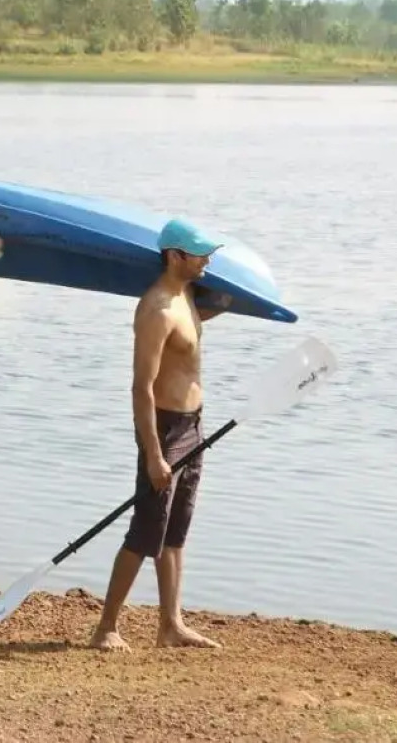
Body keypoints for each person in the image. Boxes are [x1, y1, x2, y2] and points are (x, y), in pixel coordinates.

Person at [90, 217, 234, 651]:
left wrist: (230, 300)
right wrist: (153, 453)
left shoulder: (185, 296)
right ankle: (106, 628)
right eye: (199, 253)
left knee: (176, 528)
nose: (207, 260)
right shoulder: (157, 309)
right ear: (174, 256)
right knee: (146, 528)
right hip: (165, 428)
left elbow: (192, 327)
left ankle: (170, 624)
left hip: (194, 424)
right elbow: (141, 387)